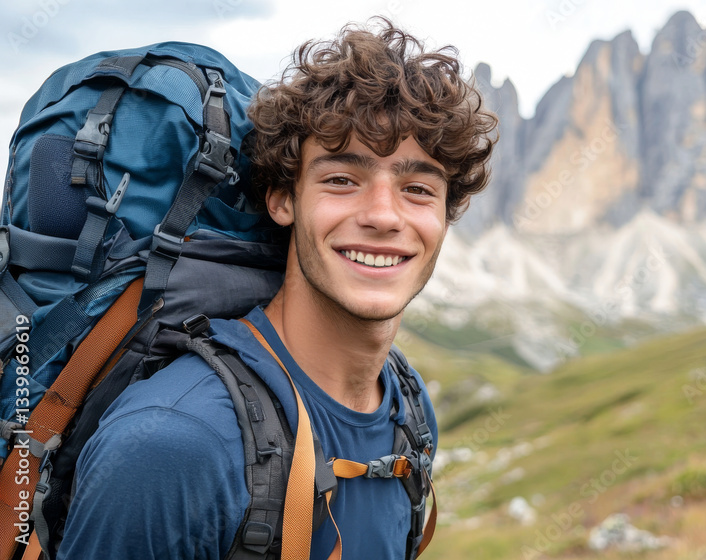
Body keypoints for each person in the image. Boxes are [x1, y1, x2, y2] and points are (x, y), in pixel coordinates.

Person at [56, 18, 497, 559]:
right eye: (342, 180)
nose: (383, 216)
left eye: (418, 188)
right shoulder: (174, 443)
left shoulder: (408, 406)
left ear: (447, 214)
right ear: (283, 199)